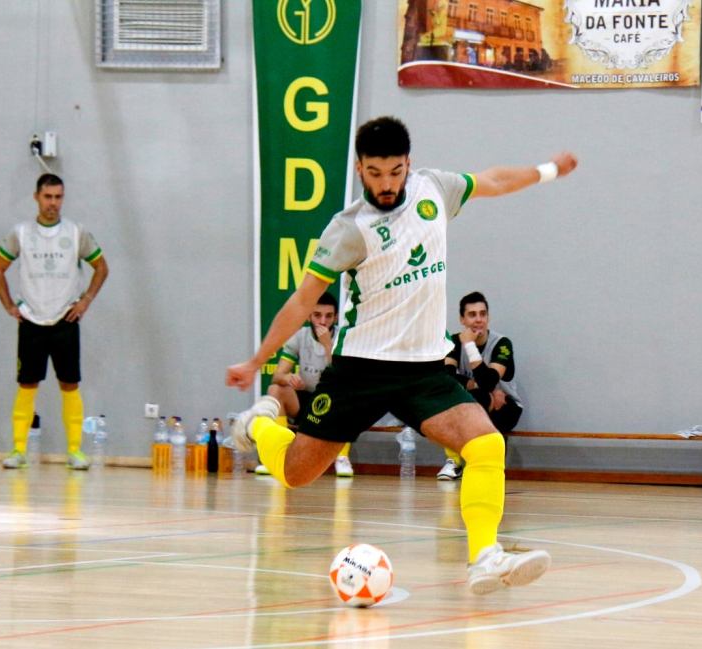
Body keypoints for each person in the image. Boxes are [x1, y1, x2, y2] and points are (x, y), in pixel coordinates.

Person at [226, 116, 577, 594]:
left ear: (408, 164)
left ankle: (485, 557)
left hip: (424, 370)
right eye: (374, 173)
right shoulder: (349, 229)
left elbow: (493, 180)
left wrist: (548, 171)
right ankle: (257, 425)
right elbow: (303, 300)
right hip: (360, 371)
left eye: (394, 172)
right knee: (294, 475)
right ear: (359, 168)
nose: (385, 184)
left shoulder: (435, 189)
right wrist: (256, 360)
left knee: (486, 444)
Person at [0, 174, 109, 470]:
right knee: (27, 383)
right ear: (36, 197)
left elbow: (101, 268)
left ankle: (74, 451)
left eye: (58, 197)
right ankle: (18, 450)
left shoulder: (76, 232)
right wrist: (9, 305)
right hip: (31, 319)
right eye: (48, 197)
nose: (53, 203)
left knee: (70, 383)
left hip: (65, 318)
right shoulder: (21, 233)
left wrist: (85, 301)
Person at [255, 292, 356, 477]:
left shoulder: (344, 337)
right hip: (304, 401)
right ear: (309, 315)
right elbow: (277, 376)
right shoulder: (299, 336)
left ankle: (342, 457)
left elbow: (344, 377)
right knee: (275, 389)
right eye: (317, 315)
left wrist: (327, 346)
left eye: (328, 316)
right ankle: (278, 454)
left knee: (348, 394)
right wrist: (288, 378)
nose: (322, 321)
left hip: (331, 404)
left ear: (336, 317)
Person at [437, 291, 524, 480]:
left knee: (478, 399)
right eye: (472, 314)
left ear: (488, 317)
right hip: (477, 402)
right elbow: (446, 377)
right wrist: (475, 384)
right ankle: (455, 461)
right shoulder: (452, 342)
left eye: (483, 314)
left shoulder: (502, 344)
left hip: (506, 407)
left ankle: (474, 463)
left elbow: (489, 381)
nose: (478, 320)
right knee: (469, 398)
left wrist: (469, 345)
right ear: (462, 319)